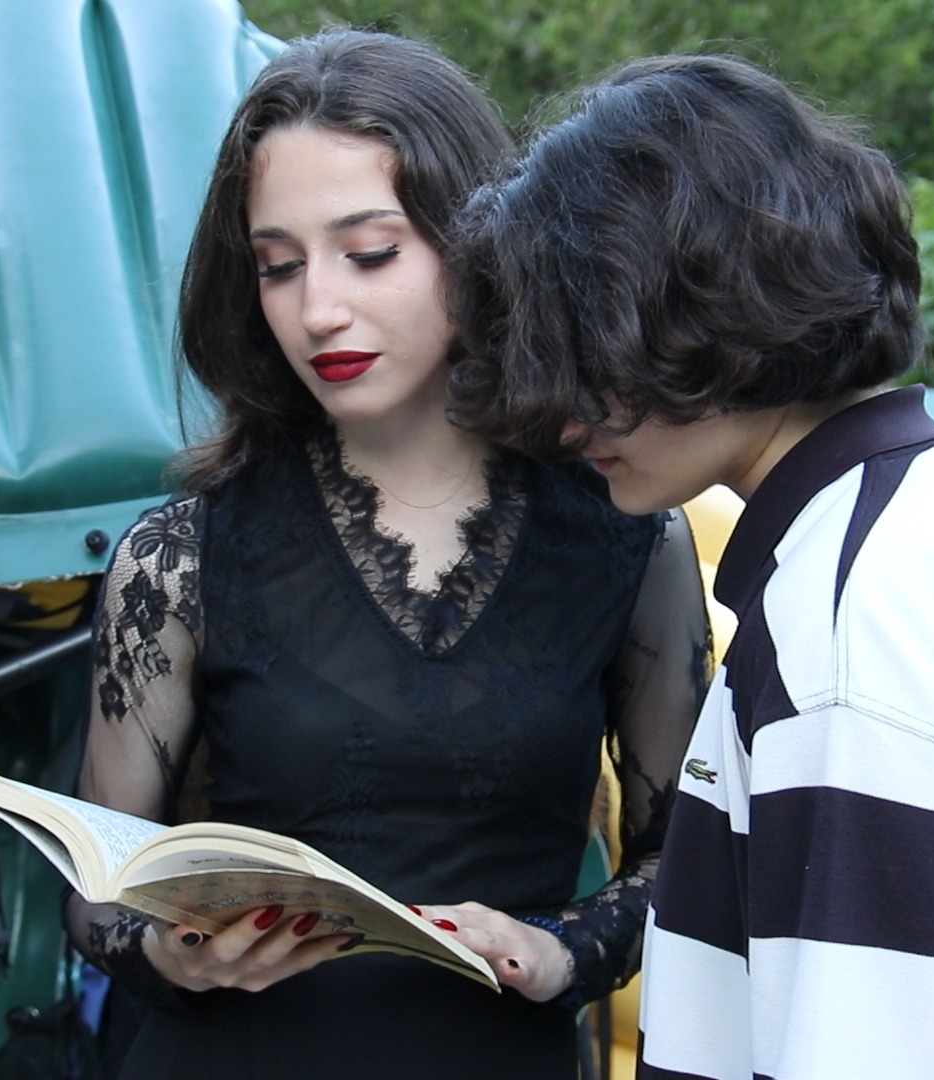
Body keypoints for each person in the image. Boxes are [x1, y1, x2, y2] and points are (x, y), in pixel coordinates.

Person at [446, 54, 934, 1080]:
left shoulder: (850, 642)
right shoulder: (926, 516)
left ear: (703, 311)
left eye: (586, 350)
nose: (561, 415)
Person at [66, 29, 710, 1080]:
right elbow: (95, 891)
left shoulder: (630, 534)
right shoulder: (178, 556)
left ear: (480, 242)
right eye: (279, 267)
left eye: (369, 253)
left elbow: (683, 857)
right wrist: (170, 953)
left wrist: (559, 952)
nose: (318, 309)